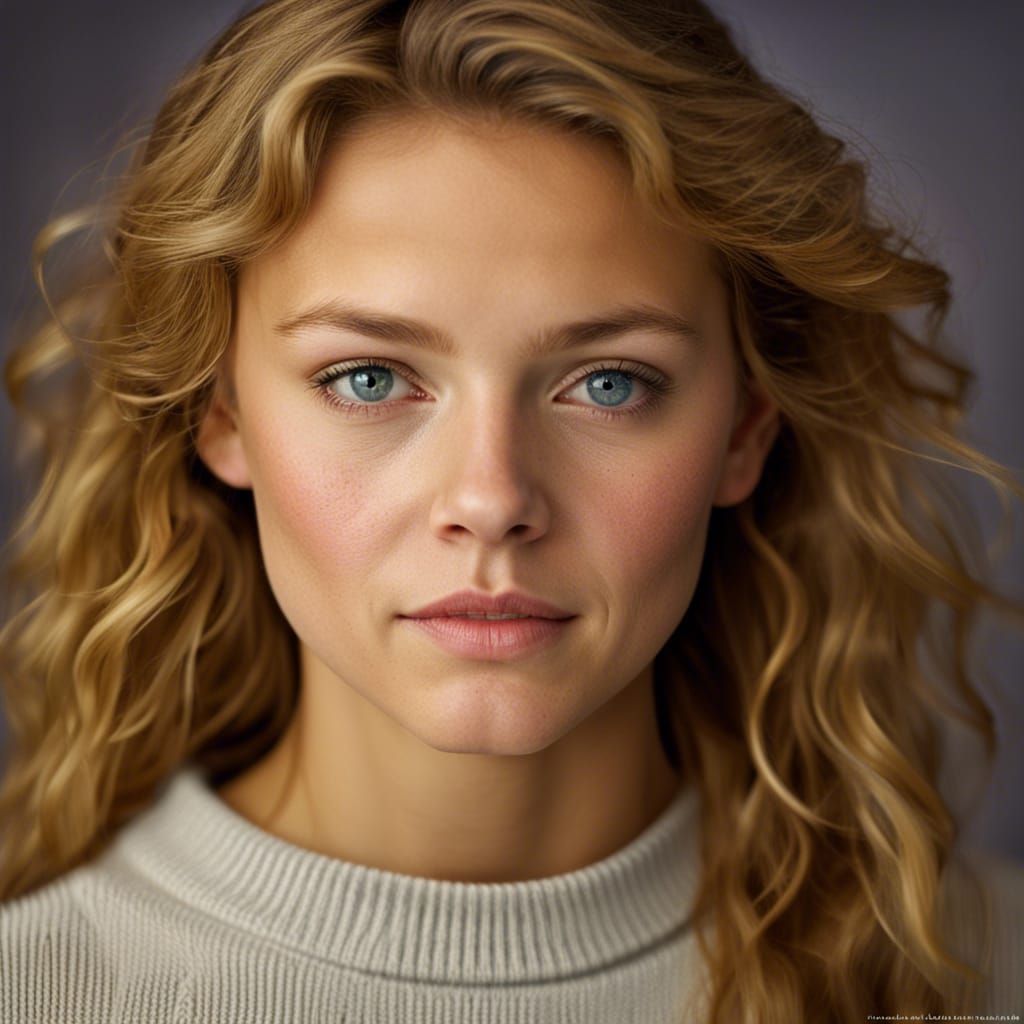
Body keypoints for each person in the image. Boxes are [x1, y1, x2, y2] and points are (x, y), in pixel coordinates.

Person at [0, 0, 1021, 1021]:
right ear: (220, 414)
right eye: (366, 379)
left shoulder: (985, 975)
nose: (491, 500)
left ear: (745, 427)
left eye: (610, 383)